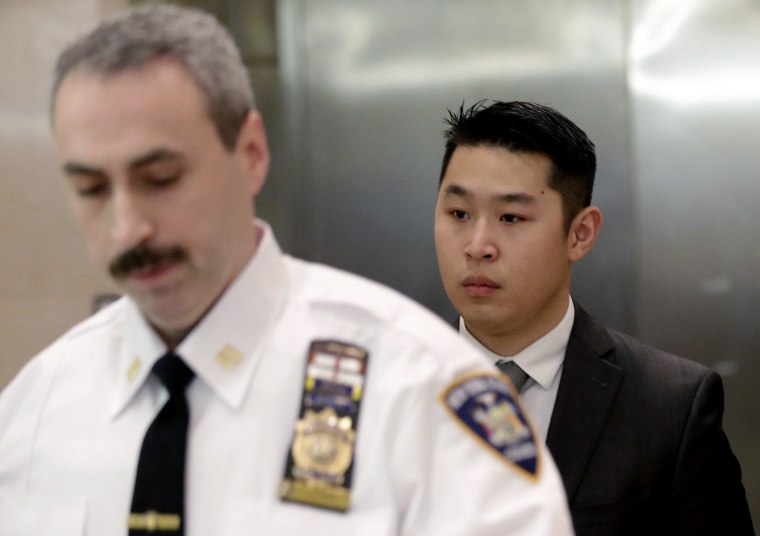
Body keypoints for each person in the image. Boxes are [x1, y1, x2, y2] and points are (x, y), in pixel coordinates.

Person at [0, 7, 575, 536]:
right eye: (91, 189)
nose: (127, 227)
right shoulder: (37, 407)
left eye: (162, 179)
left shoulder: (417, 389)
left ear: (251, 153)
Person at [433, 99, 754, 535]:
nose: (477, 245)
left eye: (511, 216)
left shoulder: (670, 407)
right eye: (458, 214)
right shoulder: (379, 382)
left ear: (580, 234)